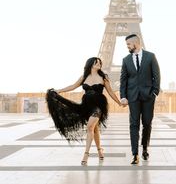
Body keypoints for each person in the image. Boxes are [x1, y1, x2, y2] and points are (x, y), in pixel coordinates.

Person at [46, 57, 122, 165]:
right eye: (97, 62)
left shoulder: (103, 77)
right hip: (86, 105)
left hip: (98, 106)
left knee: (90, 126)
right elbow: (73, 86)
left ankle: (86, 154)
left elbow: (110, 91)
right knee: (94, 129)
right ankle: (100, 150)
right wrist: (59, 91)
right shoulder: (84, 77)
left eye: (100, 62)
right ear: (91, 64)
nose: (99, 64)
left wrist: (119, 102)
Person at [120, 34, 161, 164]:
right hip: (133, 97)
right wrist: (123, 96)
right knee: (134, 124)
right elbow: (123, 80)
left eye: (128, 44)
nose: (127, 47)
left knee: (147, 123)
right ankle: (135, 154)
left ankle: (144, 148)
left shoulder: (150, 56)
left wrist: (154, 92)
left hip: (148, 96)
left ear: (135, 43)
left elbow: (157, 75)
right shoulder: (126, 60)